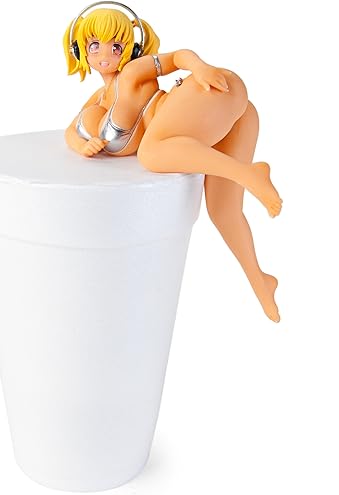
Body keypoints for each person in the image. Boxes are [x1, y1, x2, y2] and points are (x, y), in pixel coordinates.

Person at [63, 4, 282, 322]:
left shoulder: (132, 73)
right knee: (223, 211)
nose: (104, 54)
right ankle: (261, 281)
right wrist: (84, 145)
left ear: (131, 48)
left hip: (210, 89)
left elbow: (178, 57)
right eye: (94, 45)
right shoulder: (98, 99)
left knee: (150, 154)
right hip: (220, 117)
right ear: (80, 50)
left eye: (116, 46)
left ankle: (250, 174)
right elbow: (70, 131)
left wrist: (201, 68)